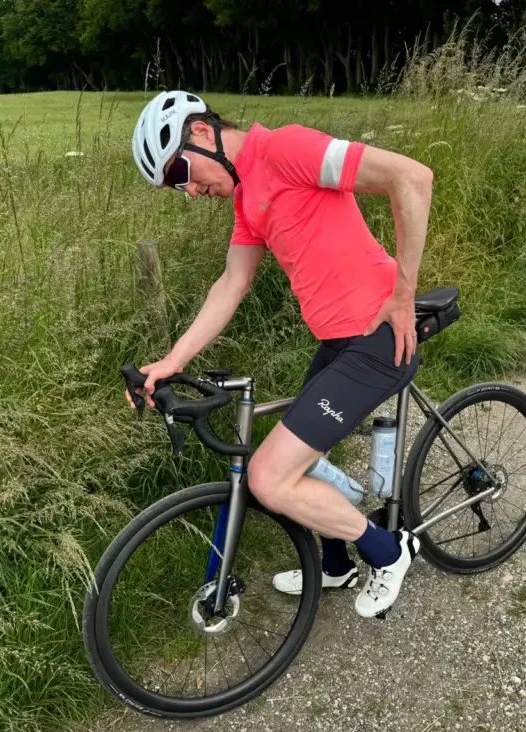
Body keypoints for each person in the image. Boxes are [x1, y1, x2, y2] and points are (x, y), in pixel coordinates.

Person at [127, 90, 434, 618]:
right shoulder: (249, 199)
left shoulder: (287, 149)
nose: (189, 191)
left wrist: (403, 296)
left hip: (379, 338)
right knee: (297, 459)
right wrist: (173, 360)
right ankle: (336, 566)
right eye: (175, 187)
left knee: (270, 476)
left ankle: (390, 551)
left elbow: (412, 177)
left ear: (201, 133)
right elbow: (232, 283)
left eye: (180, 174)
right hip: (339, 343)